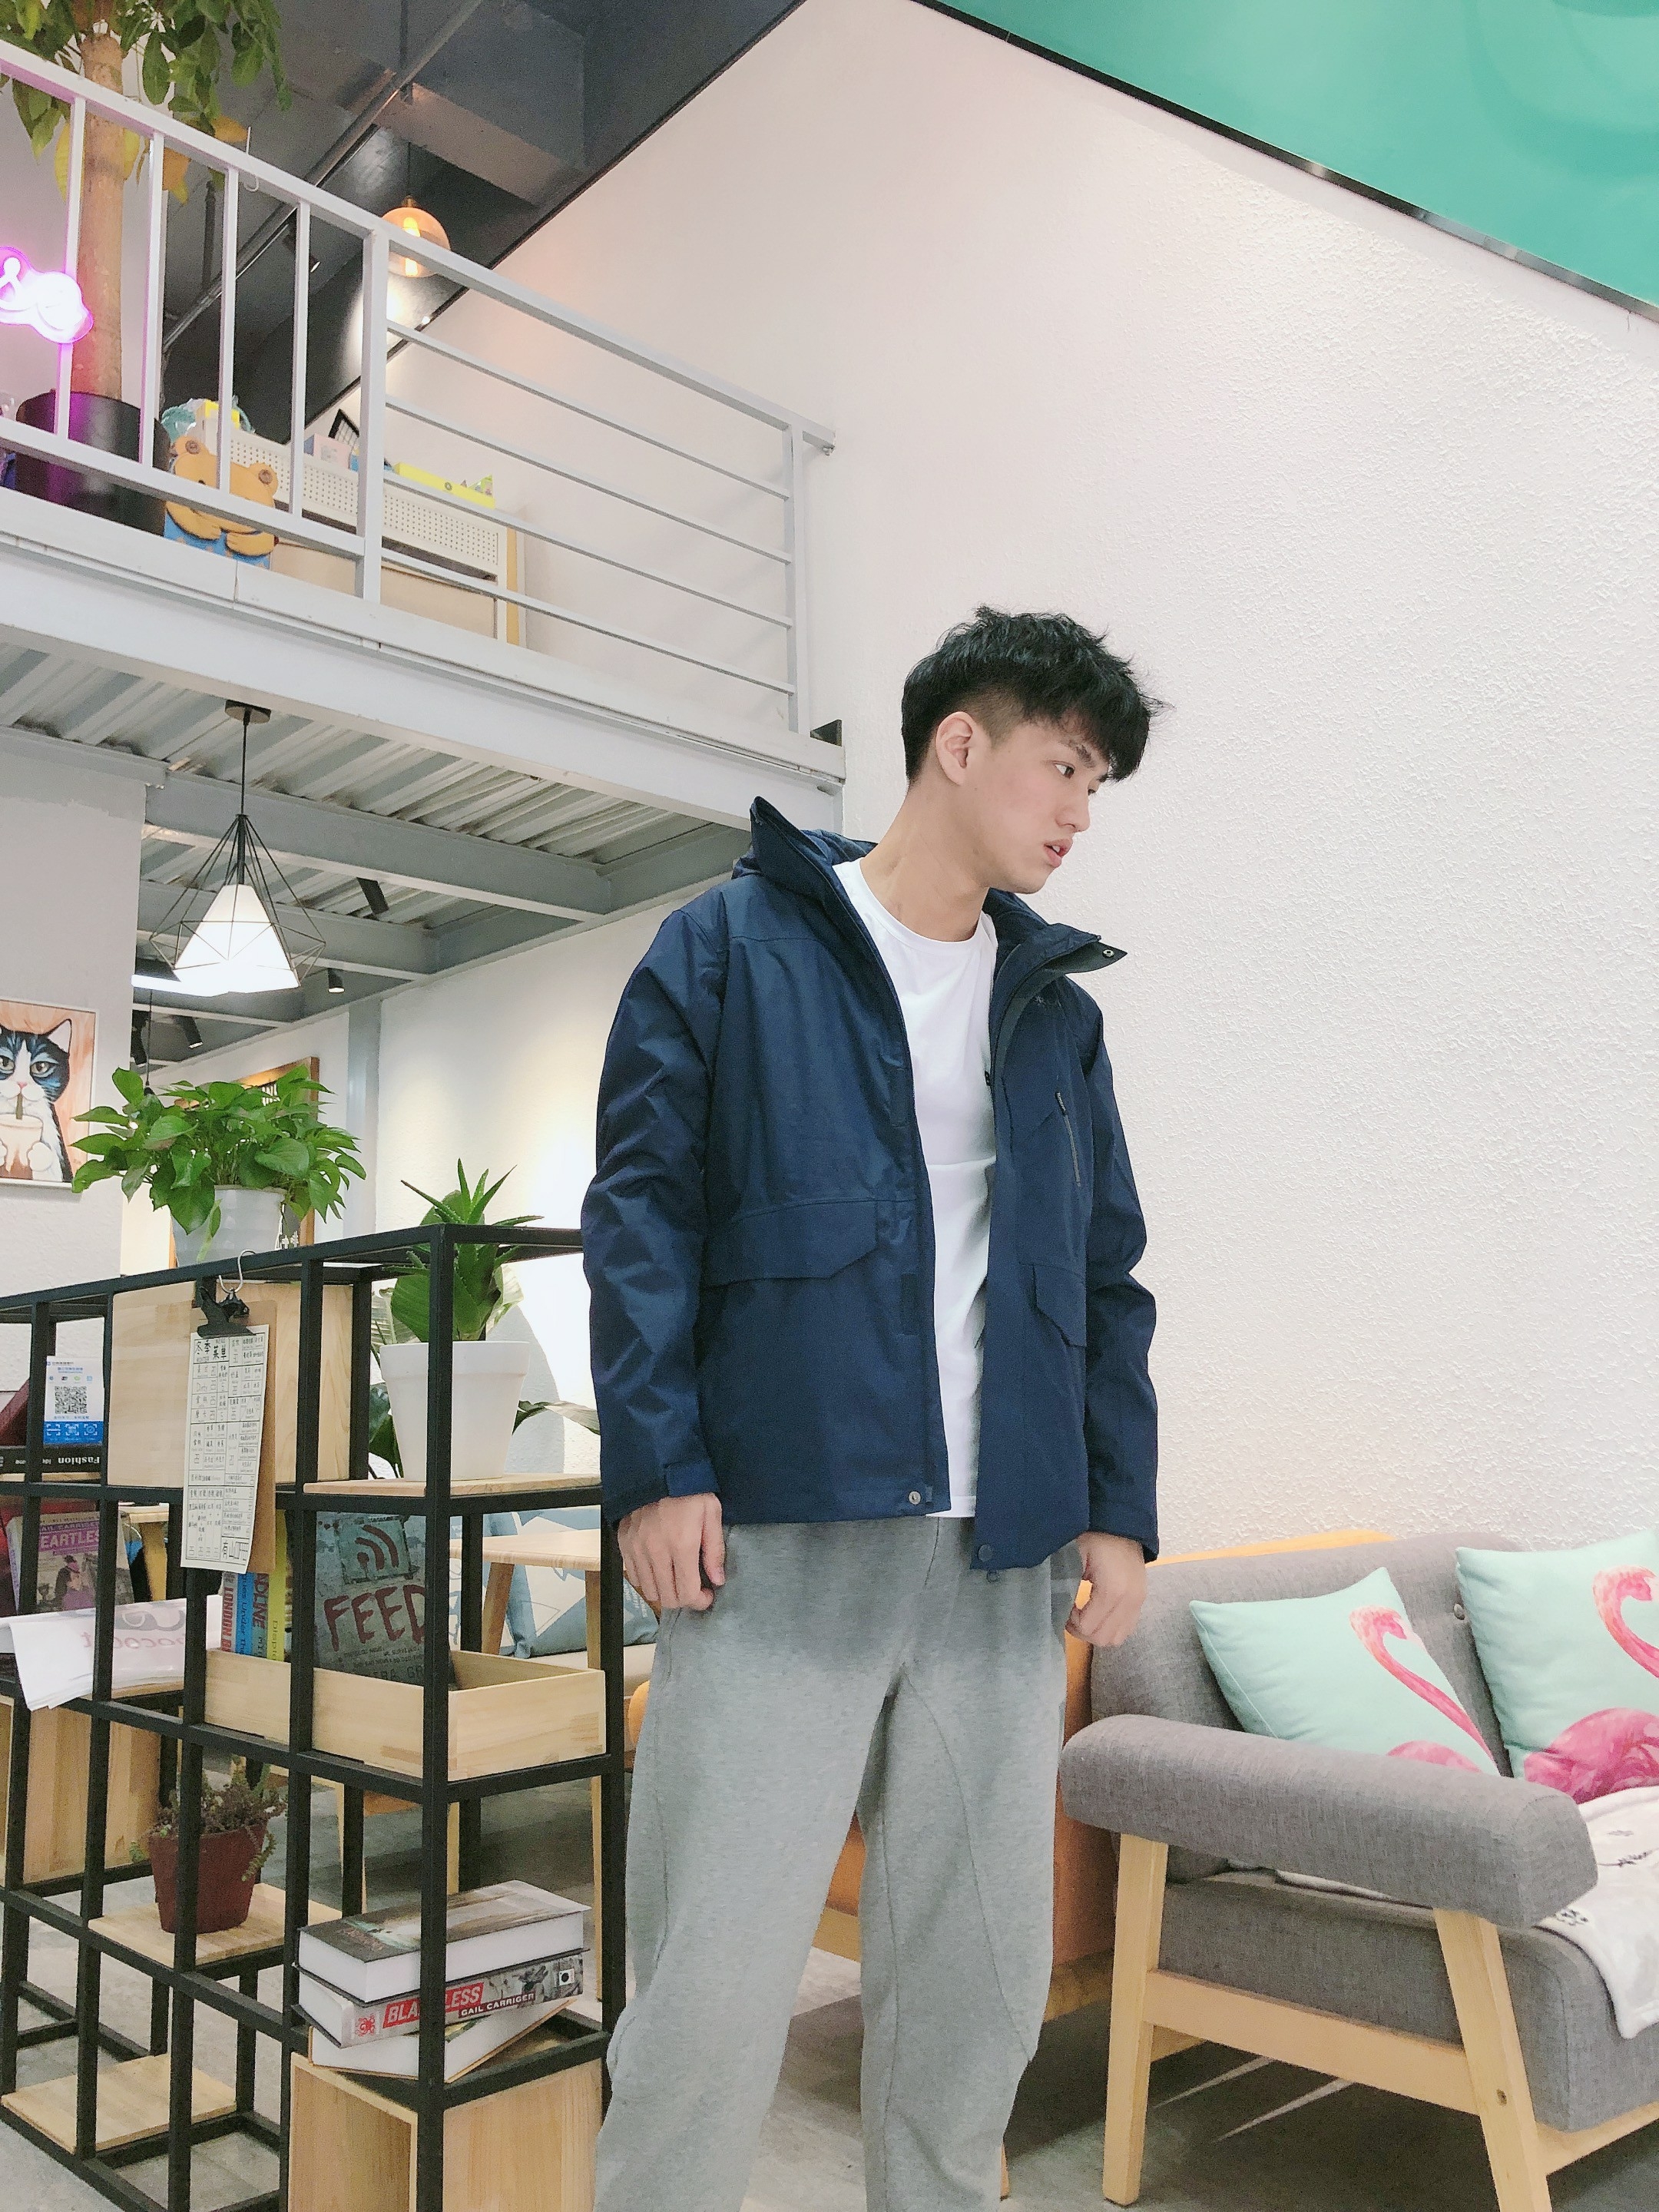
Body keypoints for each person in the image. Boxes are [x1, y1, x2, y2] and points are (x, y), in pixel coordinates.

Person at [582, 605, 1161, 2212]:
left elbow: (1104, 1275)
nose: (1080, 811)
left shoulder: (1057, 1012)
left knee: (977, 1991)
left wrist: (1115, 1505)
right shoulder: (726, 948)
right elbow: (641, 1218)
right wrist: (656, 1466)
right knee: (707, 1989)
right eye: (1064, 767)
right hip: (779, 1541)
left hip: (1002, 1554)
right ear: (959, 745)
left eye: (1098, 783)